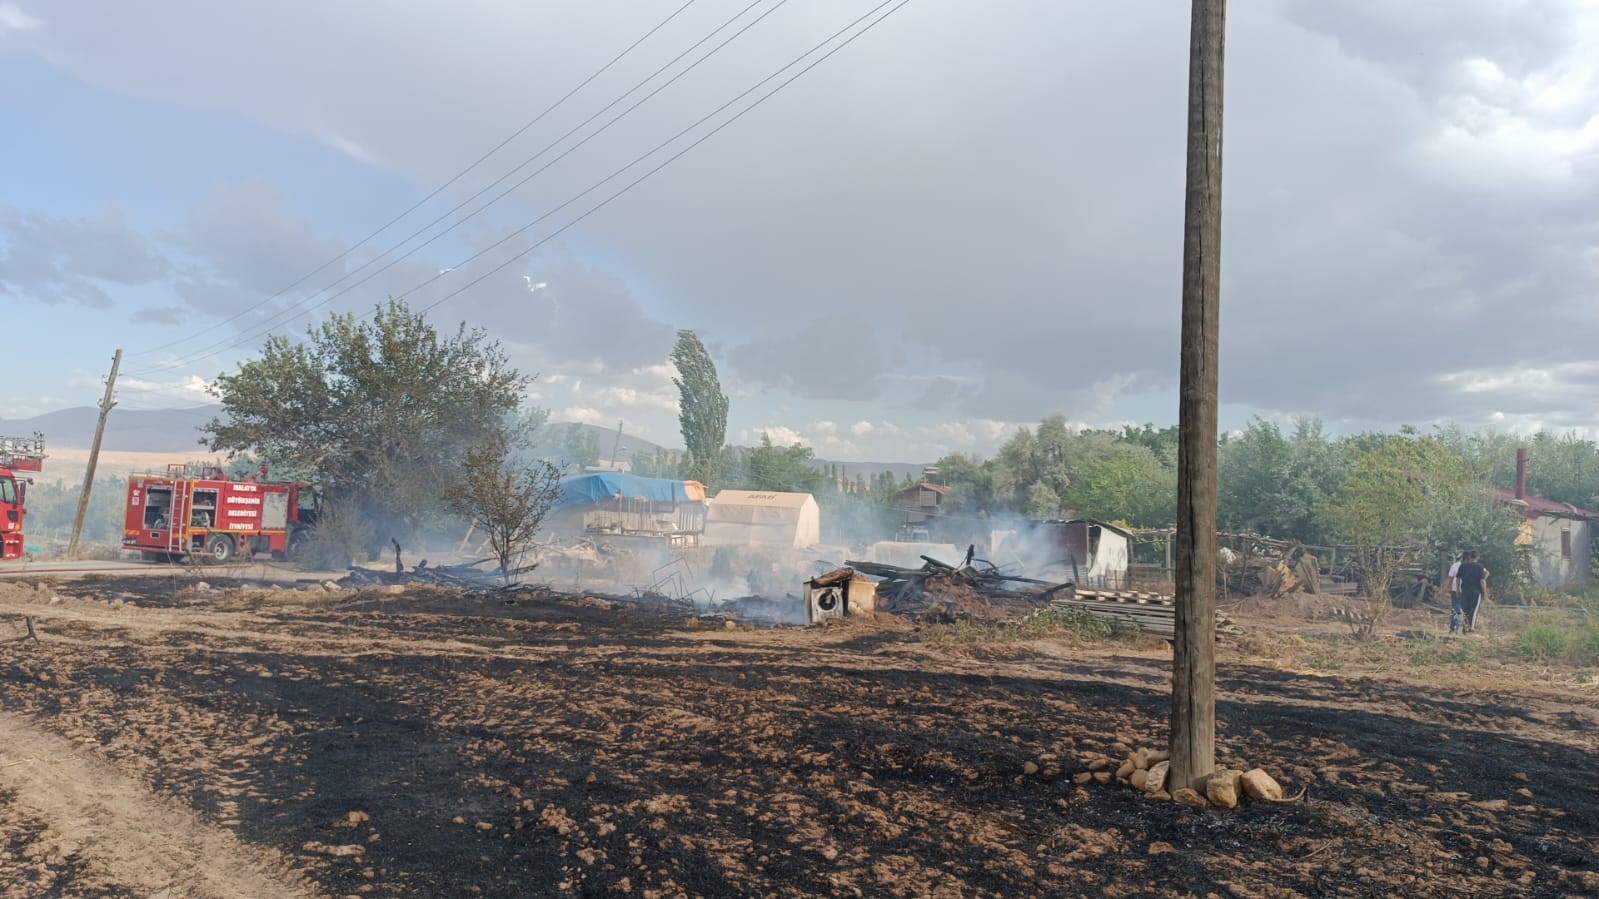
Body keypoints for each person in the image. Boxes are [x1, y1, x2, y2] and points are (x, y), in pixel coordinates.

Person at [1451, 550, 1488, 635]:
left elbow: (1457, 579)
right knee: (1474, 610)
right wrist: (1485, 594)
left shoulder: (1463, 566)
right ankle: (1471, 627)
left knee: (1465, 610)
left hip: (1464, 591)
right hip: (1476, 592)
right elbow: (1482, 581)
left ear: (1469, 557)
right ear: (1477, 558)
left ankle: (1465, 627)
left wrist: (1457, 590)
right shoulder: (1480, 567)